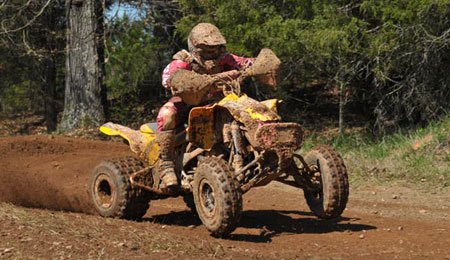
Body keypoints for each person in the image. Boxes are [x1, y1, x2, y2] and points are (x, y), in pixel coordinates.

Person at [156, 23, 255, 189]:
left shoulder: (225, 58)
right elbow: (168, 78)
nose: (213, 53)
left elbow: (246, 62)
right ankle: (165, 162)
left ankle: (243, 156)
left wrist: (257, 65)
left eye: (216, 48)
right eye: (208, 49)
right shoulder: (183, 61)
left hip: (217, 101)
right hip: (188, 102)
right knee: (167, 114)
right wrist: (182, 81)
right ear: (196, 47)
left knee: (245, 111)